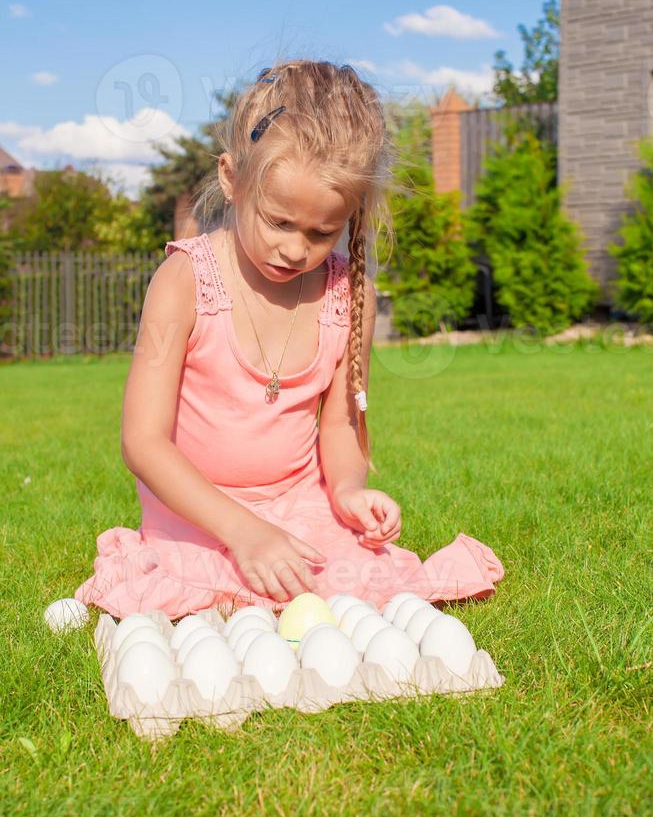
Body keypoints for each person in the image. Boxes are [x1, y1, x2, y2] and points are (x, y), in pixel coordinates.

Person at [75, 59, 504, 620]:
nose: (296, 250)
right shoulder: (184, 281)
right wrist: (243, 530)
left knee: (351, 582)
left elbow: (340, 422)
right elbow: (144, 443)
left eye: (322, 232)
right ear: (232, 179)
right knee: (211, 591)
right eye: (278, 222)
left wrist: (348, 491)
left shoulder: (349, 294)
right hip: (199, 513)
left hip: (297, 505)